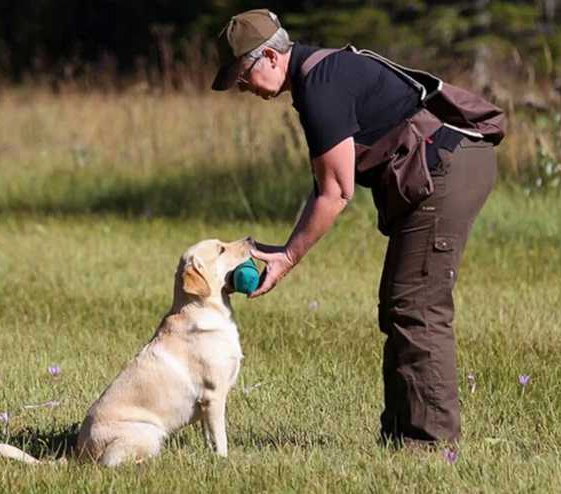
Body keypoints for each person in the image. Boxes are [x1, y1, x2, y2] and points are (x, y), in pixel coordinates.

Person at [211, 9, 504, 448]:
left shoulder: (320, 88)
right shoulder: (321, 74)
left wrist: (289, 257)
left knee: (416, 307)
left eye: (242, 74)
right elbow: (325, 187)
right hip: (446, 167)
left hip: (446, 172)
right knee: (400, 304)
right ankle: (400, 436)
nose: (242, 86)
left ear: (271, 57)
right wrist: (283, 247)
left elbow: (336, 192)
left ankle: (429, 446)